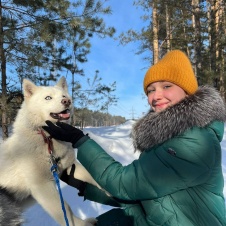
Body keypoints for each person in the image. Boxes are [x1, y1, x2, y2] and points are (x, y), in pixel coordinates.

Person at [43, 50, 226, 226]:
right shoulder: (167, 137)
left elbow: (124, 184)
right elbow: (141, 195)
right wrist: (84, 186)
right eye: (150, 90)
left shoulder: (195, 140)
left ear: (187, 90)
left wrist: (79, 140)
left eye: (167, 86)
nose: (156, 96)